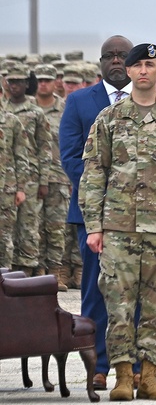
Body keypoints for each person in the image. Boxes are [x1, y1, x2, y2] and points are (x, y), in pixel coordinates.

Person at [80, 43, 156, 401]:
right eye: (138, 66)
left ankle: (149, 375)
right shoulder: (109, 118)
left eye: (150, 64)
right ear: (129, 72)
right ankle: (121, 375)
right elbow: (93, 175)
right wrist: (94, 226)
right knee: (117, 303)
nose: (144, 71)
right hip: (118, 227)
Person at [60, 35, 134, 390]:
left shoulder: (151, 100)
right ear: (100, 62)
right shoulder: (78, 102)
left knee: (135, 292)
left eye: (123, 56)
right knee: (95, 292)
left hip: (140, 215)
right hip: (93, 215)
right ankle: (98, 365)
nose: (117, 61)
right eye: (110, 56)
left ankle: (132, 365)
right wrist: (105, 194)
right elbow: (71, 157)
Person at [4, 64, 53, 277]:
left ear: (26, 84)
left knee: (28, 225)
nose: (14, 86)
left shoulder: (36, 112)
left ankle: (28, 269)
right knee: (7, 228)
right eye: (11, 81)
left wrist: (44, 180)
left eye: (19, 81)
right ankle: (9, 269)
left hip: (31, 176)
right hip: (7, 177)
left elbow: (44, 147)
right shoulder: (3, 110)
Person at [32, 64, 72, 290]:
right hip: (33, 177)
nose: (44, 83)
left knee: (57, 228)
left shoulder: (64, 108)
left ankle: (56, 271)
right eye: (40, 79)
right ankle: (38, 269)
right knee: (34, 226)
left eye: (49, 79)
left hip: (59, 176)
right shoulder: (28, 108)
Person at [0, 106, 30, 269]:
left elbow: (21, 156)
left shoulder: (11, 121)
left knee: (4, 238)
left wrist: (21, 187)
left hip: (6, 190)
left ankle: (3, 281)